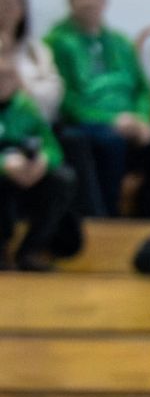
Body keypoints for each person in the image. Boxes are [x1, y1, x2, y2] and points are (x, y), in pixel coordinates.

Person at [45, 0, 150, 217]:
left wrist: (142, 119)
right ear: (71, 1)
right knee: (110, 143)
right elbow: (65, 98)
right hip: (89, 123)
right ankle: (108, 221)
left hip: (131, 119)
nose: (90, 1)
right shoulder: (57, 42)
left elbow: (143, 88)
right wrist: (111, 120)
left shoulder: (121, 42)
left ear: (105, 0)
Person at [0, 50, 80, 271]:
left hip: (26, 172)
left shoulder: (25, 106)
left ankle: (31, 249)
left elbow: (51, 146)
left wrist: (43, 161)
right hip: (6, 171)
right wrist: (4, 165)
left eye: (7, 74)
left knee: (62, 179)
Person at [0, 0, 65, 121]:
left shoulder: (37, 50)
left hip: (30, 127)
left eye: (13, 2)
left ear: (23, 8)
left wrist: (18, 82)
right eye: (2, 1)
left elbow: (53, 96)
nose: (7, 8)